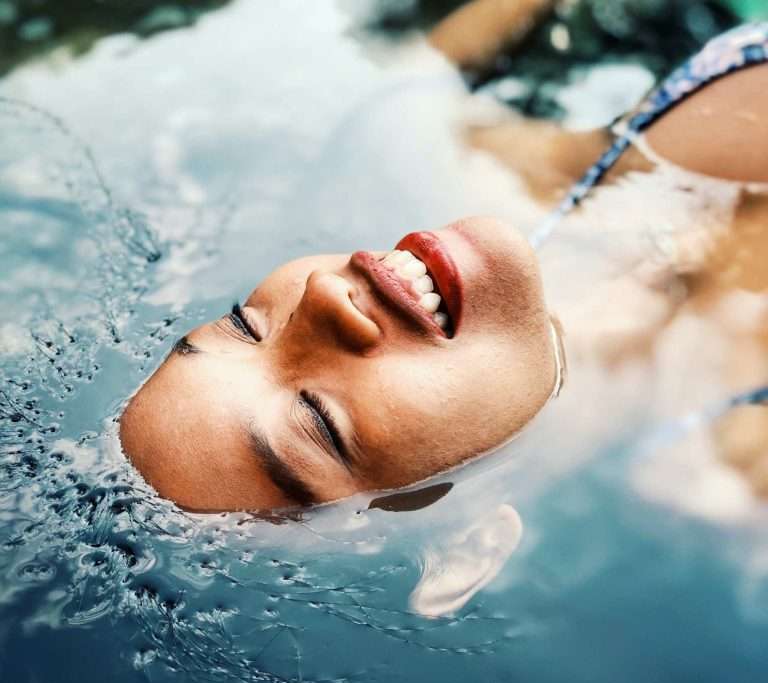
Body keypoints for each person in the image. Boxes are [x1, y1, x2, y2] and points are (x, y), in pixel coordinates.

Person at [119, 10, 768, 511]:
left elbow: (422, 68)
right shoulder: (736, 477)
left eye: (243, 325)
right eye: (317, 422)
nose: (320, 292)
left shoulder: (441, 159)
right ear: (473, 547)